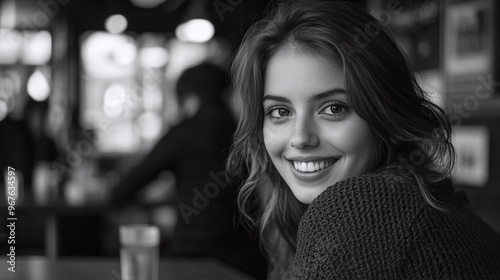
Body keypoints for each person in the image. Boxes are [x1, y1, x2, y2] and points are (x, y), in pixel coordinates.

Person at [227, 1, 500, 279]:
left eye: (334, 108)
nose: (300, 138)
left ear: (386, 115)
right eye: (279, 111)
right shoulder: (420, 198)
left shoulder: (364, 209)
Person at [110, 62, 267, 279]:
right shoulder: (245, 133)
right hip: (245, 260)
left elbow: (129, 185)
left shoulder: (184, 133)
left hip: (192, 256)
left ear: (189, 99)